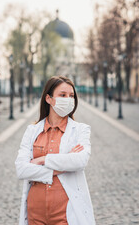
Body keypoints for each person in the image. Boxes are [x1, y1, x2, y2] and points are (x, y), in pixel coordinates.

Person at [15, 76, 96, 225]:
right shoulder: (32, 130)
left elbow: (80, 161)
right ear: (49, 99)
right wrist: (60, 167)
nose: (69, 99)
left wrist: (42, 160)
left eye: (71, 96)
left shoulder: (80, 130)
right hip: (35, 212)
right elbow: (21, 169)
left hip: (65, 213)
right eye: (63, 95)